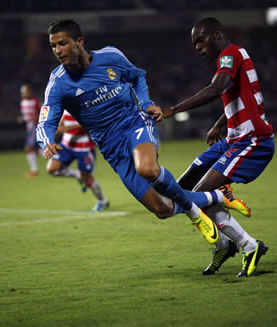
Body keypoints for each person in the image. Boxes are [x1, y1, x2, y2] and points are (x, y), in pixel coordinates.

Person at [36, 19, 247, 244]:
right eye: (53, 46)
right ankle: (217, 196)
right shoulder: (58, 83)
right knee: (162, 209)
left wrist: (146, 102)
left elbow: (137, 76)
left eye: (63, 43)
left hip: (134, 123)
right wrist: (47, 141)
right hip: (111, 148)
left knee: (147, 168)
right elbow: (45, 122)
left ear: (79, 41)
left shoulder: (110, 56)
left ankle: (195, 214)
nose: (57, 51)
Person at [163, 17, 275, 277]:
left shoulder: (230, 54)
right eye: (194, 44)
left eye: (200, 40)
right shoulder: (232, 59)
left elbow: (216, 89)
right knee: (181, 191)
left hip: (253, 141)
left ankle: (248, 245)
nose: (198, 47)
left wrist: (173, 109)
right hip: (232, 139)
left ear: (215, 34)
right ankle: (224, 245)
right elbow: (243, 96)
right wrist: (219, 123)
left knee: (199, 196)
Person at [46, 110, 109, 212]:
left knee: (87, 177)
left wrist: (67, 128)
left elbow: (88, 122)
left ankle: (102, 201)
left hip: (84, 147)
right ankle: (77, 175)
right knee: (52, 169)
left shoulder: (84, 104)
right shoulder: (64, 106)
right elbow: (61, 124)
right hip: (66, 145)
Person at [18, 84, 41, 177]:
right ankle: (54, 154)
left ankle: (34, 171)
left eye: (26, 91)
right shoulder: (22, 102)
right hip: (29, 128)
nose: (24, 93)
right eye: (23, 92)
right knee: (35, 150)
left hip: (35, 127)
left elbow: (40, 115)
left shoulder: (35, 101)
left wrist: (25, 119)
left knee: (28, 148)